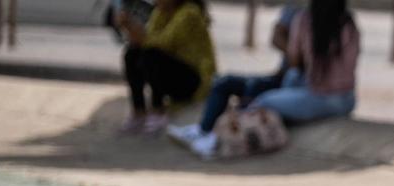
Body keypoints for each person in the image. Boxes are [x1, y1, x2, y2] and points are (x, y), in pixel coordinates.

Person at [167, 5, 301, 156]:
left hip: (295, 81)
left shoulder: (306, 19)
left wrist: (296, 49)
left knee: (253, 88)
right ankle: (204, 131)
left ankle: (223, 138)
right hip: (283, 75)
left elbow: (295, 60)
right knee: (225, 82)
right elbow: (276, 38)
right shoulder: (297, 9)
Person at [114, 0, 216, 134]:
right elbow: (146, 40)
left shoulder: (189, 13)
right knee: (132, 53)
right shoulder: (160, 12)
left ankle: (158, 110)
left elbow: (162, 43)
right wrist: (129, 28)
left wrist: (132, 28)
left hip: (194, 80)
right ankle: (139, 111)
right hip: (174, 71)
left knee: (151, 55)